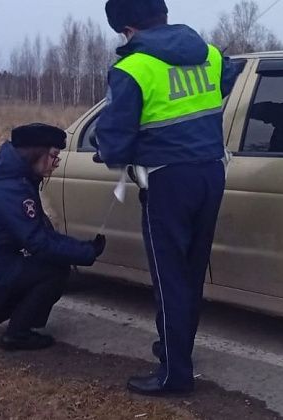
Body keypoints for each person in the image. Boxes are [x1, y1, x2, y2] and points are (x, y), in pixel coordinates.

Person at [97, 0, 240, 397]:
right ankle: (177, 349)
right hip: (212, 172)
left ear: (126, 28)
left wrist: (113, 153)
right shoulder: (209, 54)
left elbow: (114, 139)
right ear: (162, 14)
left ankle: (174, 375)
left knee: (168, 278)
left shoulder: (132, 68)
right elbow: (228, 76)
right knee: (190, 274)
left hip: (168, 181)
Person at [0, 123, 105, 351]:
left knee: (39, 269)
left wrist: (82, 248)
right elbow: (38, 242)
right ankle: (17, 334)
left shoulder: (18, 180)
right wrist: (85, 252)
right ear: (36, 154)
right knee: (54, 272)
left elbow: (42, 232)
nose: (56, 162)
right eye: (53, 155)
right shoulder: (13, 188)